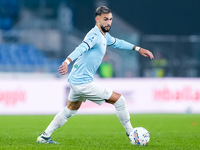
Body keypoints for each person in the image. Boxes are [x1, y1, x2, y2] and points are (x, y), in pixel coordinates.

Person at [37, 6, 154, 144]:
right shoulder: (94, 35)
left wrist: (138, 48)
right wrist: (67, 61)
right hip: (83, 83)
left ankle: (44, 137)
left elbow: (119, 43)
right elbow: (81, 47)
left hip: (76, 81)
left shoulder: (104, 36)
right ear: (97, 19)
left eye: (110, 19)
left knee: (70, 110)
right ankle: (131, 134)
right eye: (105, 19)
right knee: (119, 100)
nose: (109, 22)